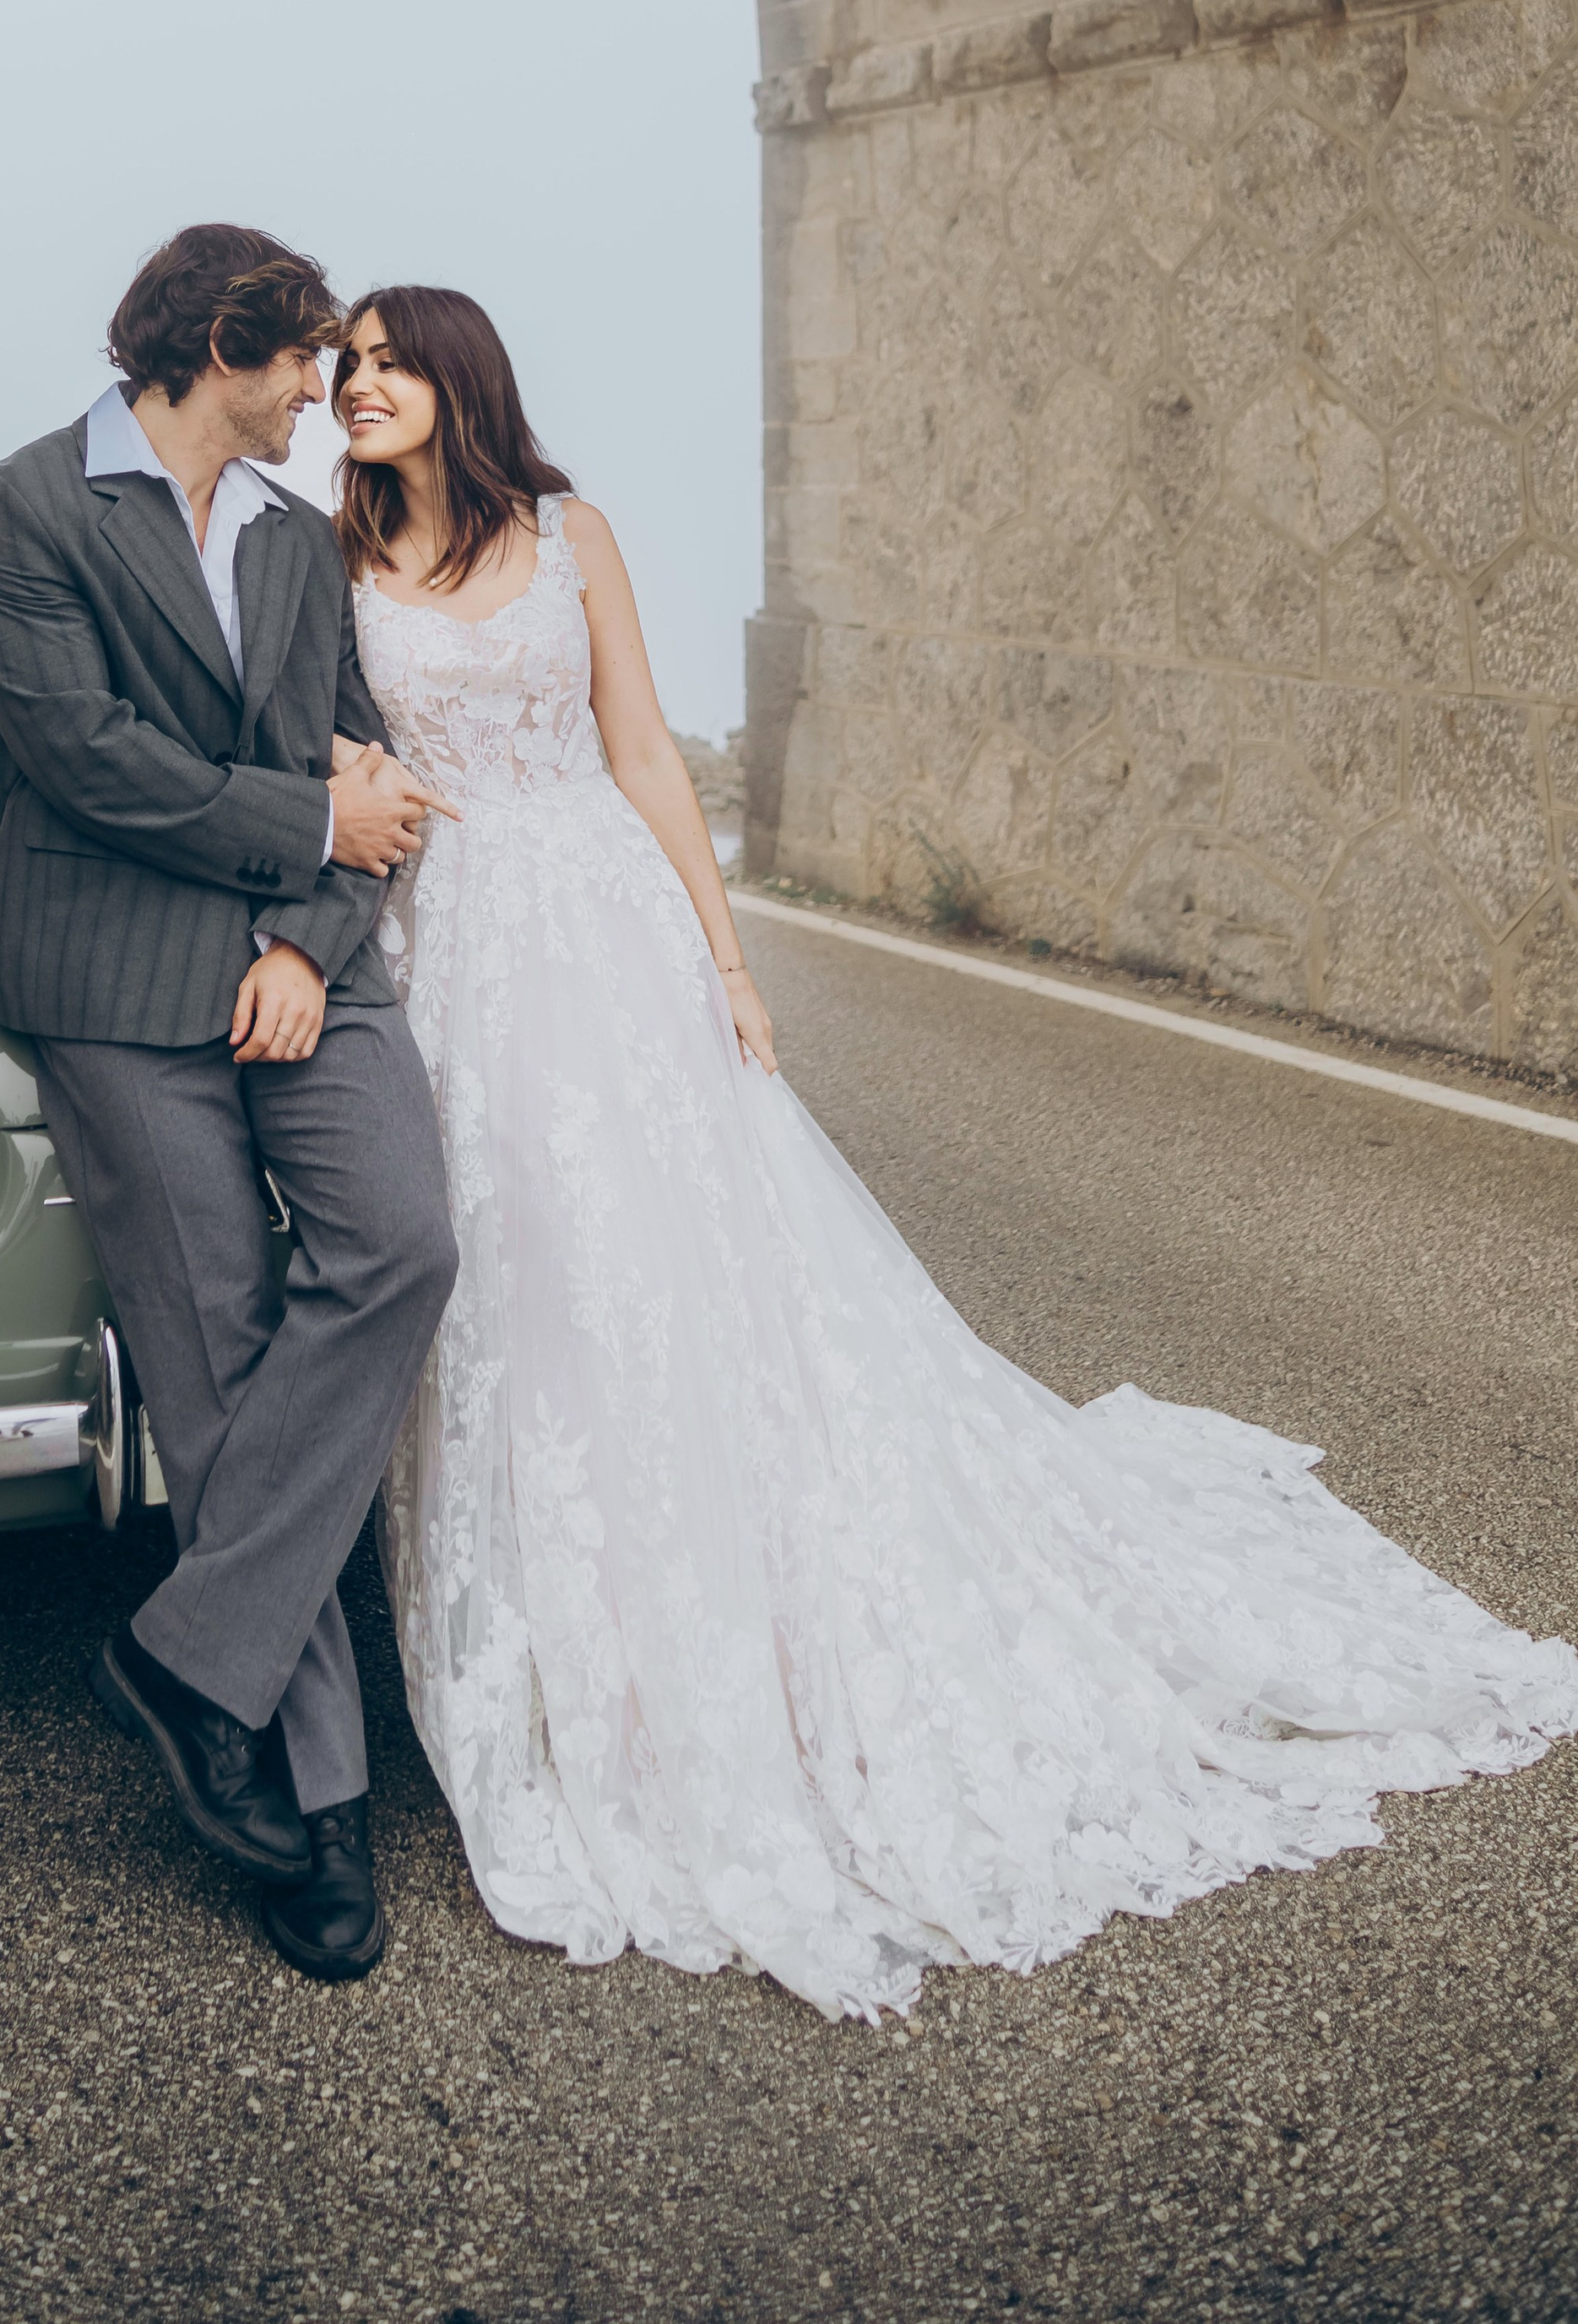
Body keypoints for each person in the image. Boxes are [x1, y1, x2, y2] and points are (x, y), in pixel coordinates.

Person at [333, 283, 1578, 2023]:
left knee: (681, 1269)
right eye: (346, 368)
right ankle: (578, 1663)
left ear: (456, 381)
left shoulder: (568, 533)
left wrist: (727, 959)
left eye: (390, 363)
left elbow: (639, 754)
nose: (361, 388)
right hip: (448, 947)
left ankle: (747, 1625)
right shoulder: (332, 573)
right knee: (520, 1288)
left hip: (603, 934)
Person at [0, 225, 460, 1983]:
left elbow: (356, 757)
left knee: (402, 1242)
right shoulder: (19, 506)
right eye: (305, 360)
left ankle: (182, 1657)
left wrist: (316, 934)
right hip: (113, 993)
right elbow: (87, 765)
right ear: (222, 340)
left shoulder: (294, 537)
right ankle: (312, 1804)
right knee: (224, 1363)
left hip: (296, 969)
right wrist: (310, 828)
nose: (325, 394)